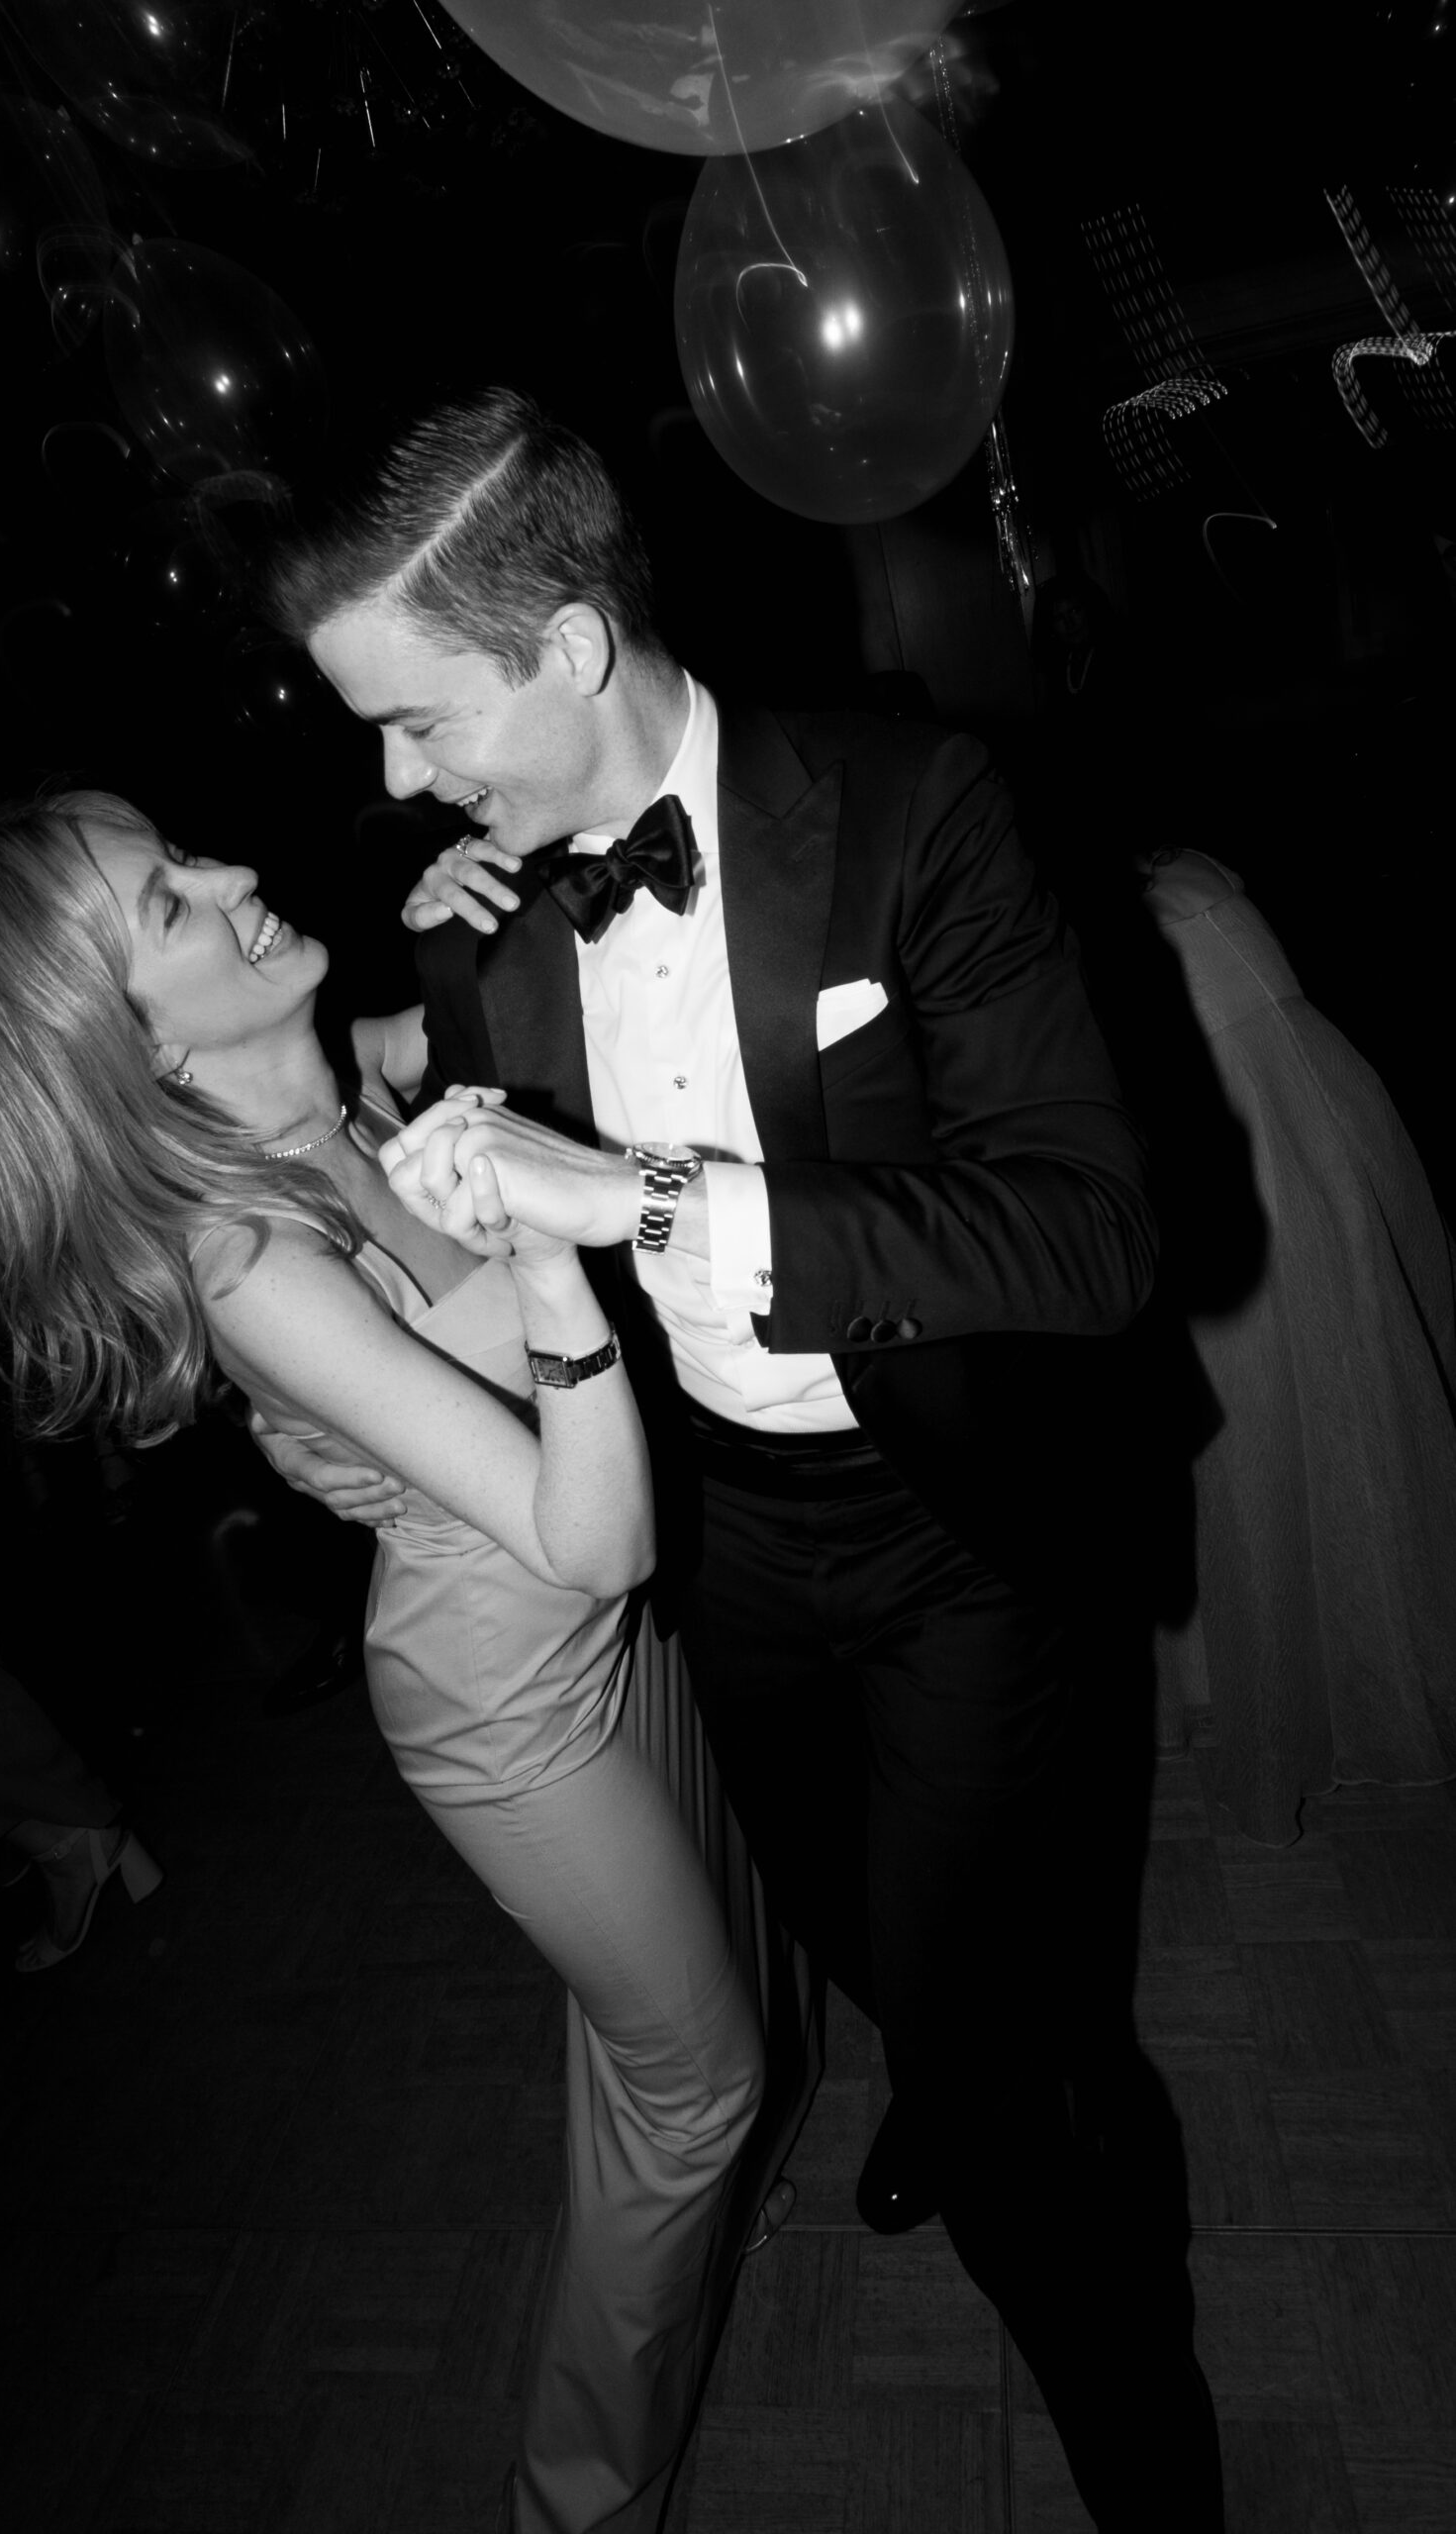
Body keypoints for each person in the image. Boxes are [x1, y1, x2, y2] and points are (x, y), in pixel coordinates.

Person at [253, 388, 1225, 2531]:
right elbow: (469, 1227)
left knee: (1008, 2070)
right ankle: (944, 2060)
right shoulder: (470, 911)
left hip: (956, 1520)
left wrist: (655, 1200)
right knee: (840, 1916)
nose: (393, 780)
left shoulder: (911, 804)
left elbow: (1092, 1232)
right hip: (729, 1539)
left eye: (415, 721)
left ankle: (1143, 2440)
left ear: (568, 650)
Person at [0, 787, 767, 2534]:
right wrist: (562, 1274)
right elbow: (596, 1534)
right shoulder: (251, 1257)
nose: (237, 875)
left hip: (596, 1632)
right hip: (510, 1702)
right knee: (693, 2080)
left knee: (691, 1968)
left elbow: (501, 1007)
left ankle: (721, 2207)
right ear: (116, 1044)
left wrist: (468, 912)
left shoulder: (335, 1080)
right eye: (175, 908)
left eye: (185, 855)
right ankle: (576, 2508)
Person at [1139, 845, 1456, 1841]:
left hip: (1259, 1157)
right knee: (1324, 1424)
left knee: (1288, 1434)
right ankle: (1325, 1671)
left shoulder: (1161, 910)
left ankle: (1330, 1683)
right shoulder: (1193, 883)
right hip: (1306, 1129)